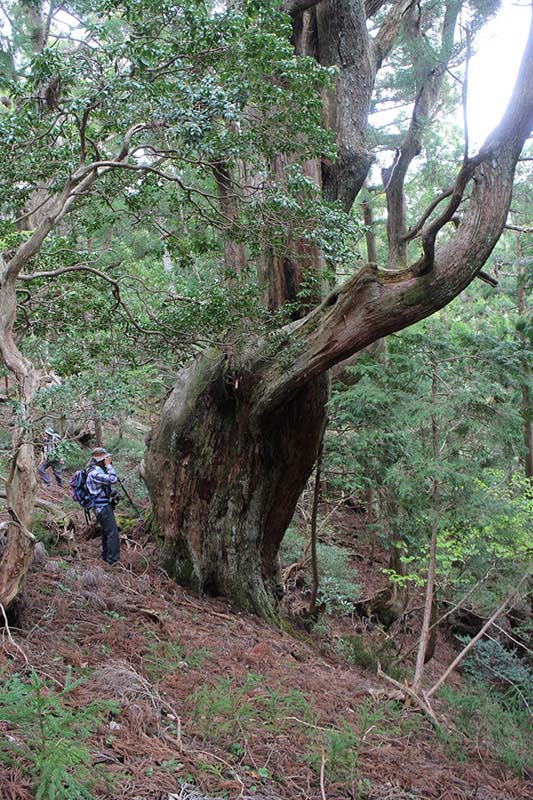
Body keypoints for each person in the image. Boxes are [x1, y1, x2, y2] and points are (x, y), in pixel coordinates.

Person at [86, 447, 120, 565]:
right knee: (112, 533)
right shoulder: (95, 473)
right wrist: (109, 466)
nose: (107, 460)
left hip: (102, 506)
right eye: (104, 458)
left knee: (106, 532)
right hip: (102, 507)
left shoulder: (96, 471)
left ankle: (105, 557)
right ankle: (113, 560)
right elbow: (113, 479)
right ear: (100, 460)